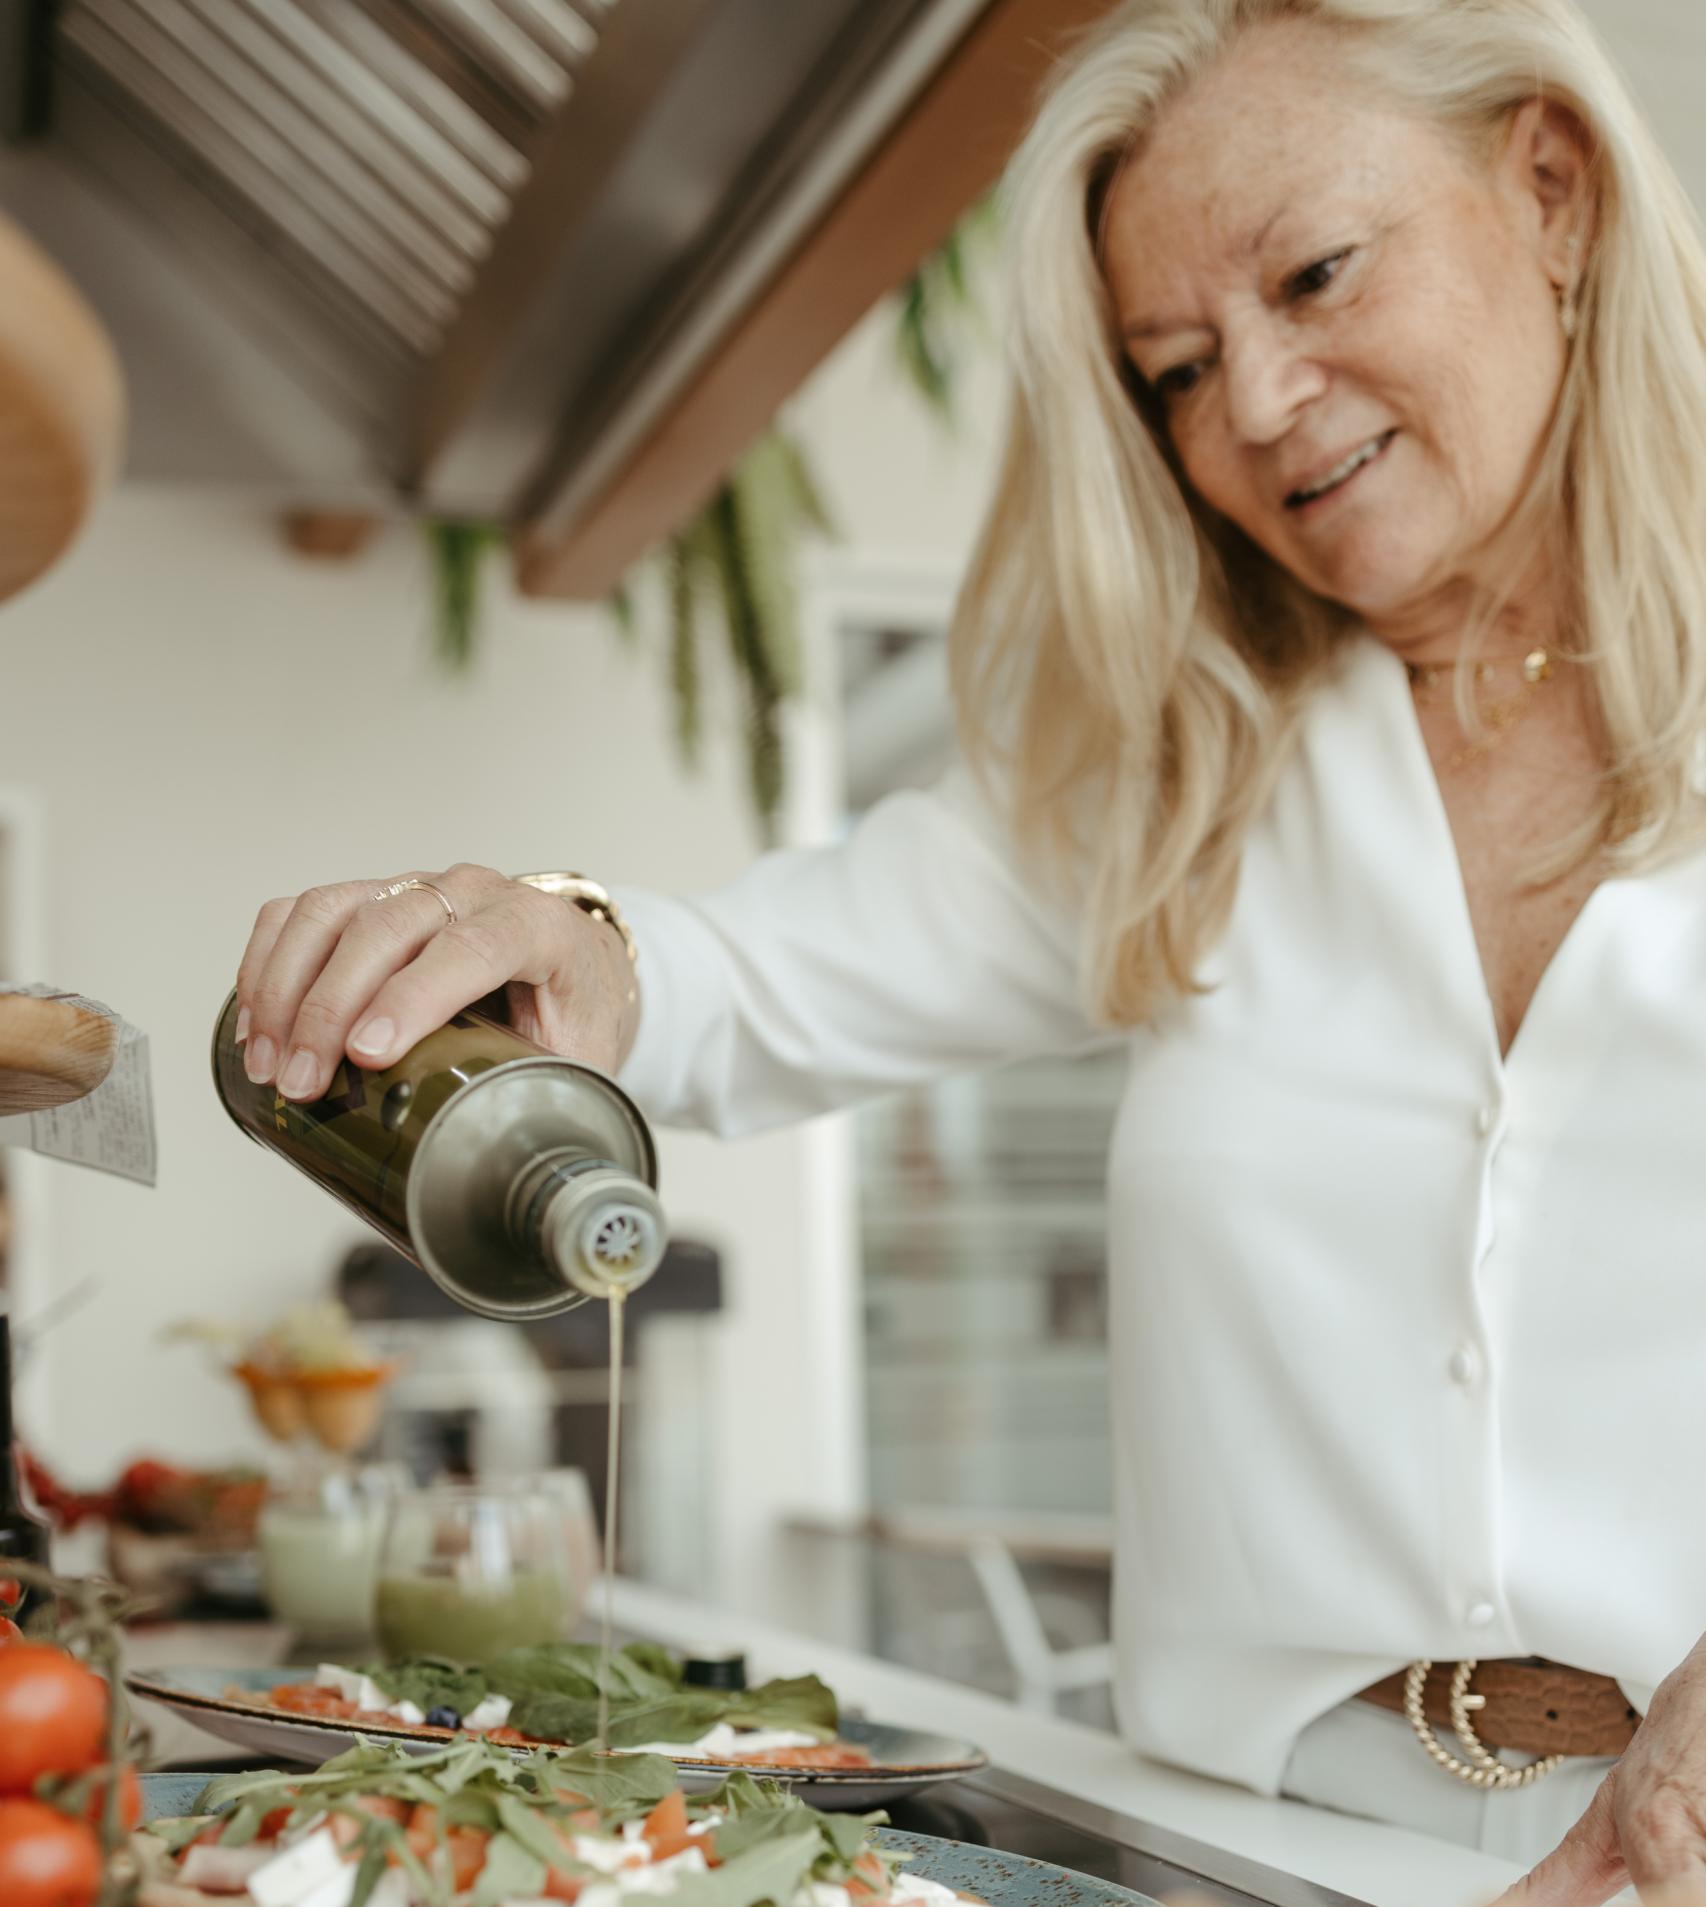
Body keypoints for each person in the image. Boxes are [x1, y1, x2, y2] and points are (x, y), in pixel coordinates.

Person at [231, 0, 1706, 1894]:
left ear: (1551, 190)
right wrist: (558, 943)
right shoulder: (1194, 774)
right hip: (1271, 1843)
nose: (1250, 404)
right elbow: (745, 978)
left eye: (1315, 276)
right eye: (1171, 369)